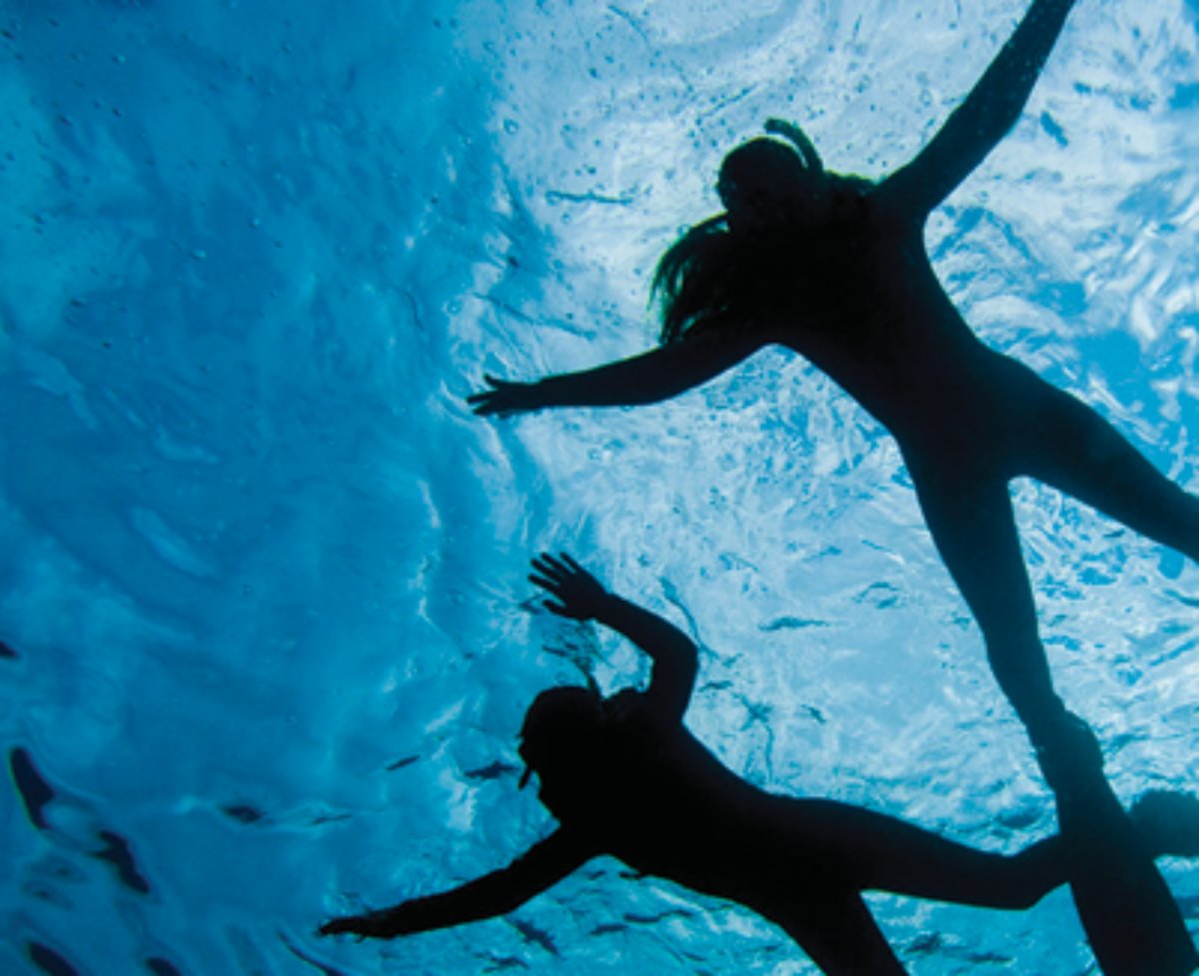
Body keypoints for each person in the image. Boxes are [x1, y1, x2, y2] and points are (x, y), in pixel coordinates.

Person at [466, 1, 1199, 970]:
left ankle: (1095, 791)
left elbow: (987, 117)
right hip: (952, 468)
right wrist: (543, 390)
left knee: (1185, 525)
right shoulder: (775, 300)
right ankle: (1093, 790)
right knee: (1021, 670)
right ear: (740, 223)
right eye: (745, 201)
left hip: (1023, 412)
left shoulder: (888, 214)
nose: (762, 205)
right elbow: (663, 372)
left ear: (808, 173)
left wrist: (1051, 7)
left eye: (769, 182)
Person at [320, 554, 1199, 974]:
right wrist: (392, 923)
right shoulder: (596, 812)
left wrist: (601, 603)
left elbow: (676, 658)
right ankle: (1146, 827)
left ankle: (1149, 823)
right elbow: (498, 895)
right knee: (1006, 886)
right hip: (803, 883)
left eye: (541, 747)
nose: (537, 768)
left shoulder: (634, 753)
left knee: (1009, 885)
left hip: (817, 843)